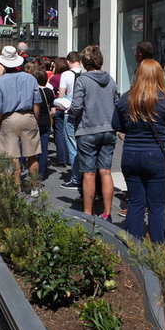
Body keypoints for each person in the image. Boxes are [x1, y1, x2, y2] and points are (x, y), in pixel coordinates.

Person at [112, 59, 165, 243]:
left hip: (131, 155)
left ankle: (131, 246)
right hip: (157, 156)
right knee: (157, 206)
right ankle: (157, 248)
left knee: (135, 203)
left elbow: (116, 125)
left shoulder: (125, 98)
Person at [69, 45, 118, 221]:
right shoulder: (110, 79)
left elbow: (76, 106)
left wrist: (69, 112)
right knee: (105, 172)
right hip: (108, 129)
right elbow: (116, 103)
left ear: (84, 62)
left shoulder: (83, 80)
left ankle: (88, 213)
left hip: (88, 129)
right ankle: (107, 212)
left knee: (89, 173)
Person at [0, 46, 42, 194]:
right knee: (32, 154)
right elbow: (37, 103)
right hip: (28, 116)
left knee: (13, 156)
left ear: (3, 63)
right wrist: (34, 120)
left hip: (8, 119)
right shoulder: (30, 78)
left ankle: (16, 189)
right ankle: (35, 187)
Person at [59, 51, 84, 191]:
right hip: (85, 114)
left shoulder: (66, 75)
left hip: (70, 112)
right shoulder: (86, 73)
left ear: (68, 62)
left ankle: (76, 178)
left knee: (72, 145)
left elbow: (62, 95)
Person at [27, 63, 54, 180]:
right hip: (46, 122)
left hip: (34, 122)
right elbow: (53, 110)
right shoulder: (49, 91)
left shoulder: (33, 91)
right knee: (44, 149)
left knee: (32, 149)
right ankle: (42, 173)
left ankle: (29, 168)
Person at [49, 56, 70, 166]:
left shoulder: (55, 78)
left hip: (58, 107)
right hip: (69, 107)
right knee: (68, 133)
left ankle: (61, 158)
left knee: (59, 133)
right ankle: (70, 156)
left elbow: (50, 90)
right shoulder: (70, 76)